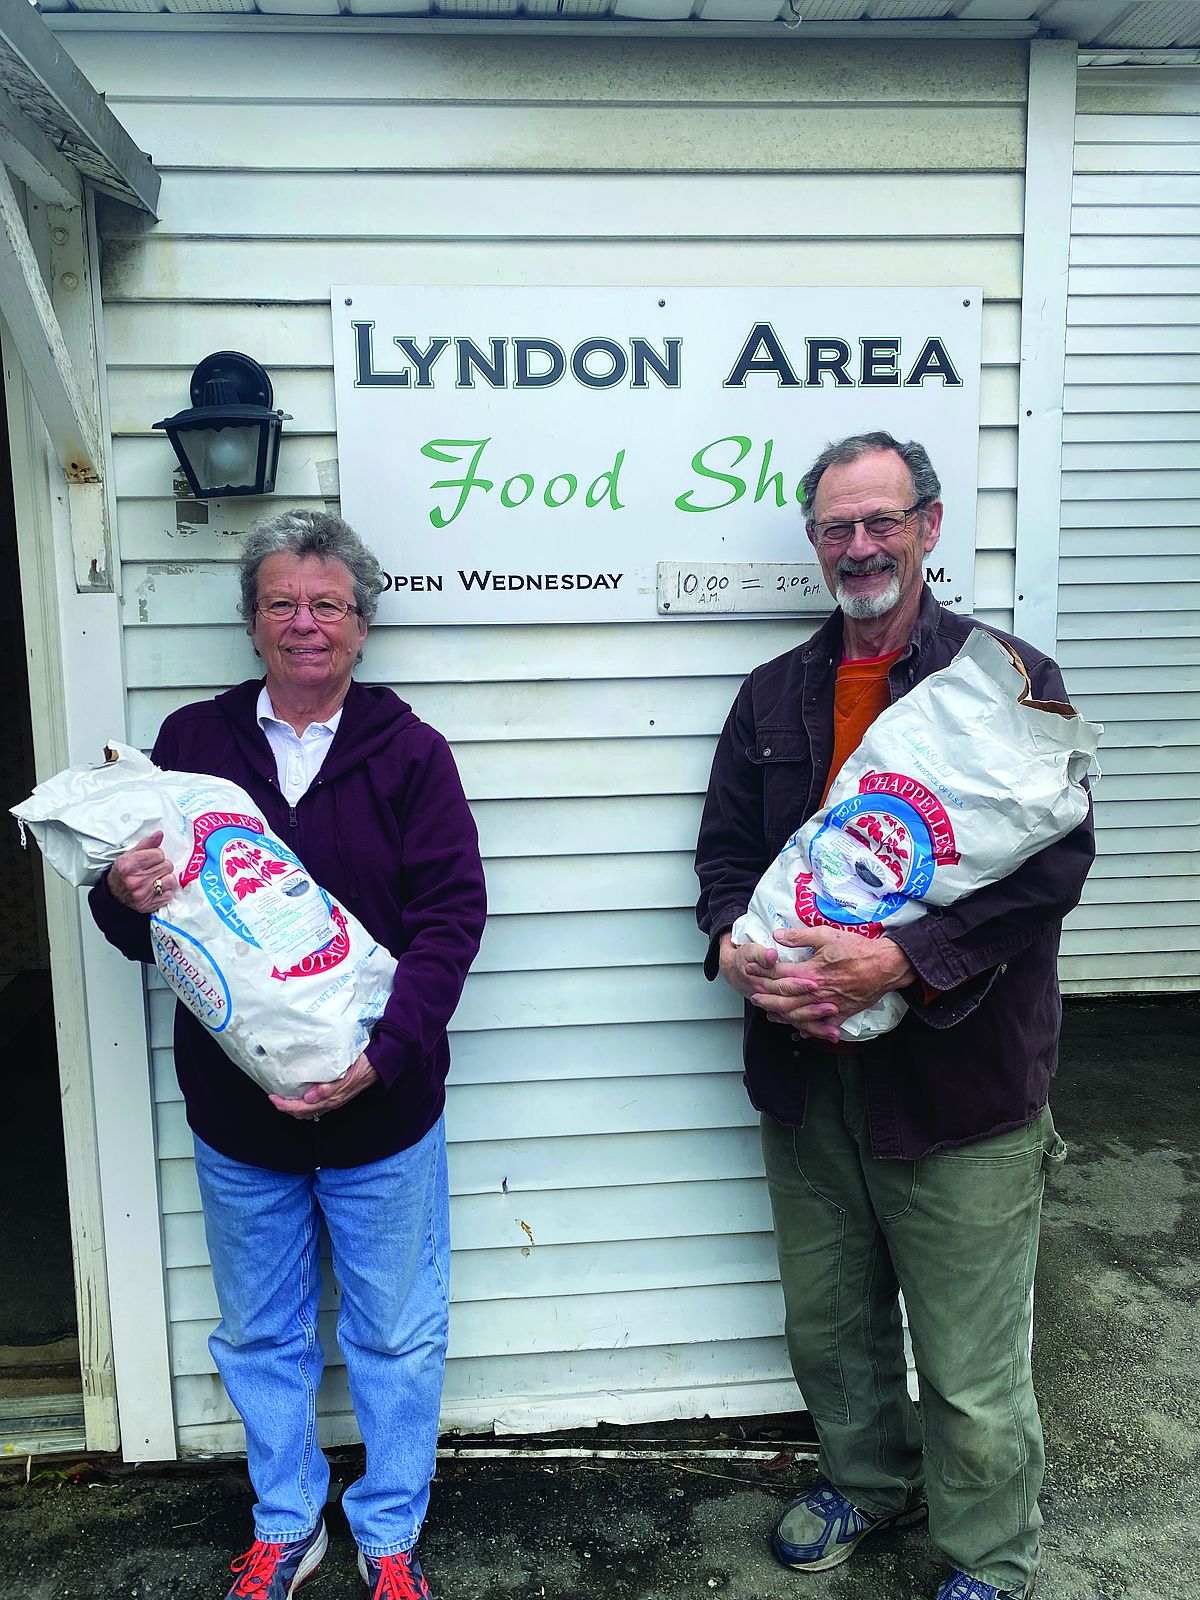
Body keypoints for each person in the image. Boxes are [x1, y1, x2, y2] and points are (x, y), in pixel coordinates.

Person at [694, 432, 1095, 1600]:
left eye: (881, 520)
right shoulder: (774, 694)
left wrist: (906, 962)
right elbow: (725, 856)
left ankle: (991, 1556)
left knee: (970, 1361)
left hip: (960, 1080)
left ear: (929, 525)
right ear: (814, 541)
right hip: (805, 1077)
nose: (859, 546)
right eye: (836, 526)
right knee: (832, 1326)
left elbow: (1056, 868)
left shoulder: (1007, 685)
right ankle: (870, 1482)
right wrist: (733, 942)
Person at [90, 510, 487, 1600]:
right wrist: (120, 896)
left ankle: (391, 1527)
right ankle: (287, 1522)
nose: (305, 623)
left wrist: (386, 1056)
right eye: (281, 602)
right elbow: (144, 922)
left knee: (395, 1333)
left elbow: (452, 921)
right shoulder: (192, 745)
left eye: (328, 604)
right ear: (252, 621)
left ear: (362, 626)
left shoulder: (410, 751)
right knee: (261, 1331)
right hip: (237, 1113)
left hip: (382, 1109)